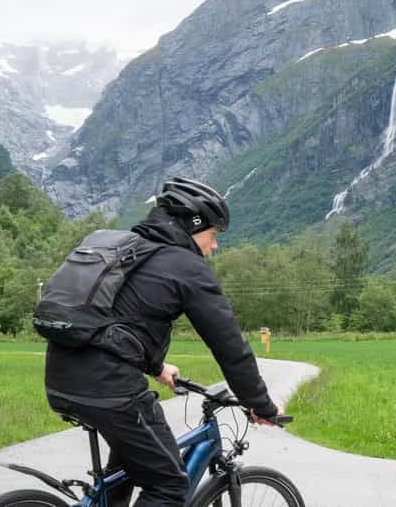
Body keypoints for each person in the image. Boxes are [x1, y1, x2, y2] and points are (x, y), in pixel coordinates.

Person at [44, 177, 282, 507]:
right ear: (193, 224)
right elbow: (230, 347)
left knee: (131, 462)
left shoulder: (129, 250)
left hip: (60, 378)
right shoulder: (188, 267)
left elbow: (119, 321)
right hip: (108, 389)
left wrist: (156, 367)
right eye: (213, 236)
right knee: (170, 485)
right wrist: (261, 404)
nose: (215, 247)